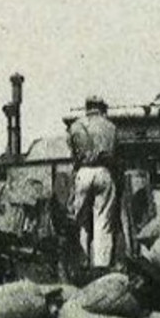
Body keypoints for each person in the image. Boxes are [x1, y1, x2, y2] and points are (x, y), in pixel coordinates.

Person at [68, 95, 120, 268]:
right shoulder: (111, 126)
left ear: (87, 107)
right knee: (103, 221)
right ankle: (101, 266)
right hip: (104, 172)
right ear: (101, 107)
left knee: (81, 221)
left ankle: (81, 263)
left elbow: (73, 155)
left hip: (83, 172)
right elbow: (115, 152)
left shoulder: (76, 126)